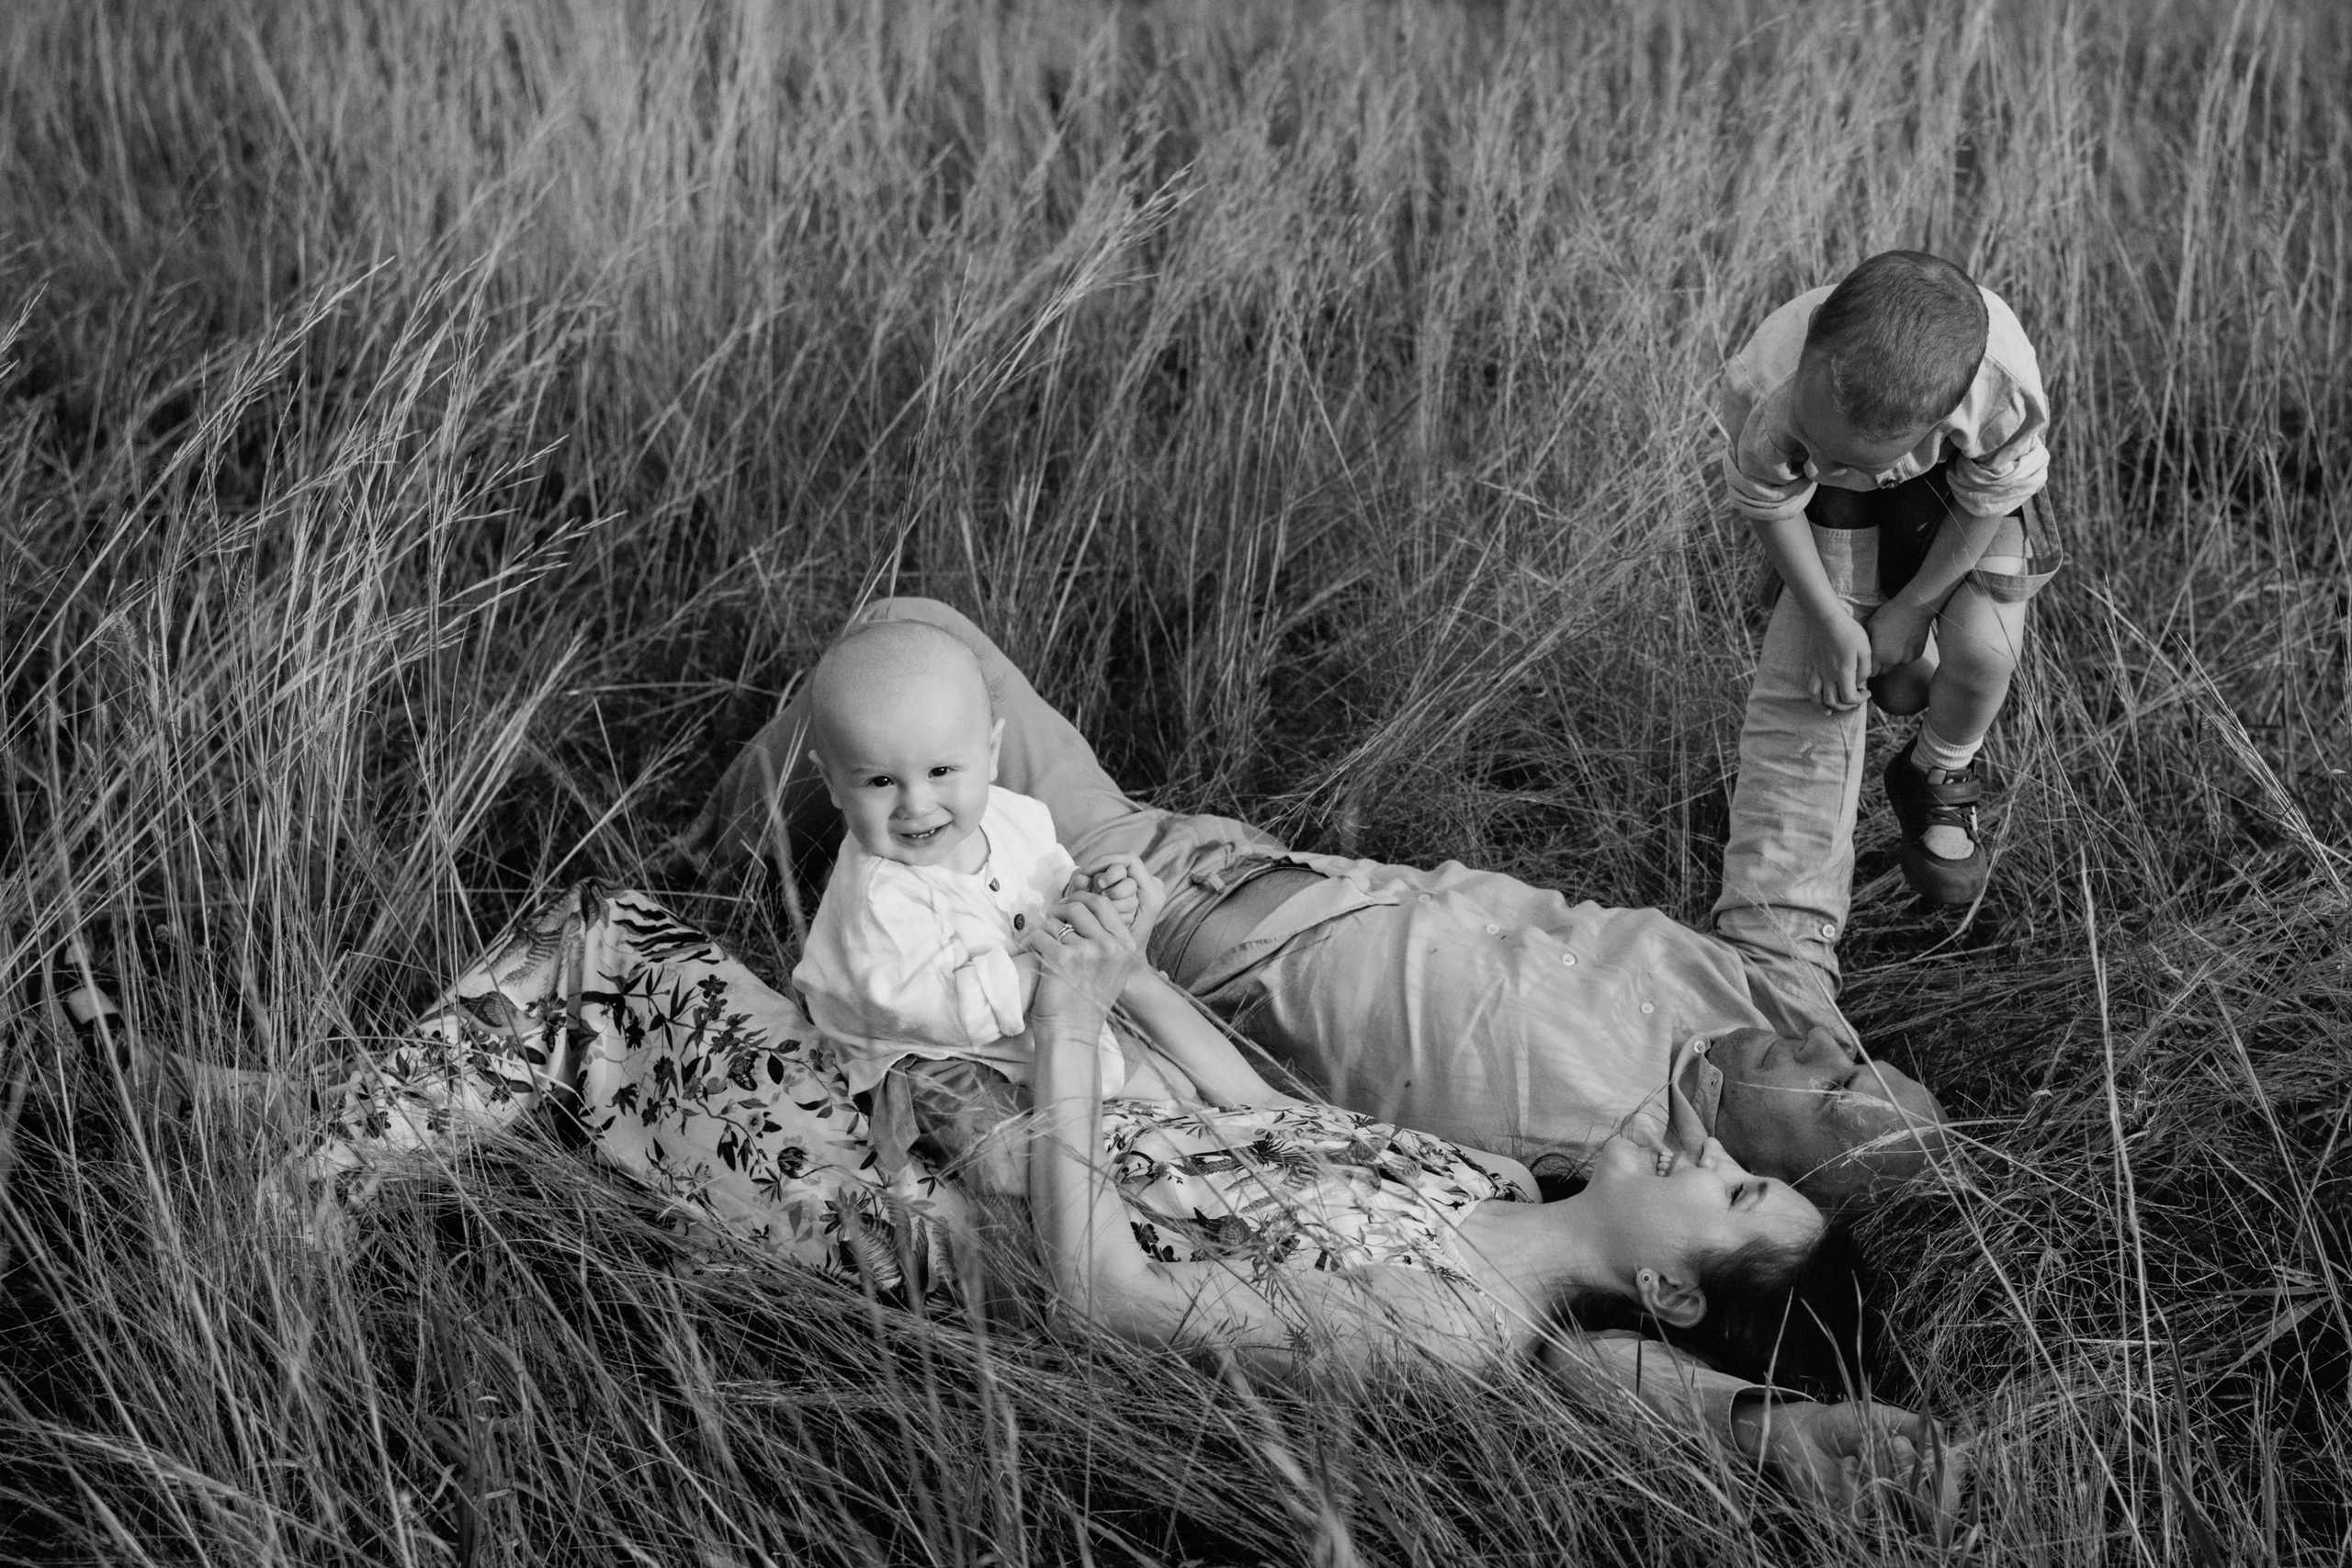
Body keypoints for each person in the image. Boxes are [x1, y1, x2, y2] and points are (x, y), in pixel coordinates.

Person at [267, 876, 1937, 1510]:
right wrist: (1130, 975)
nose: (1710, 1151)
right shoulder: (1497, 1184)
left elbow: (1109, 1295)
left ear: (1665, 1292)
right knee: (609, 1032)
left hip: (908, 1216)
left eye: (1728, 1192)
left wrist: (1067, 1035)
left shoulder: (1448, 1325)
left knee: (600, 951)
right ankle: (279, 1110)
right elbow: (1256, 1110)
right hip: (979, 1105)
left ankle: (300, 1192)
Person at [679, 596, 1949, 1214]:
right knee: (910, 629)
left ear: (1780, 1169)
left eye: (1838, 1092)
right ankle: (729, 836)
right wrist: (1846, 604)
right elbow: (1796, 796)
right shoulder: (1769, 996)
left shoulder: (1614, 1171)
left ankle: (737, 885)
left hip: (1136, 935)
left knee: (920, 657)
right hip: (1212, 852)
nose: (1831, 1051)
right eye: (1864, 1055)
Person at [1720, 249, 2061, 905]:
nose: (1815, 456)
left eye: (1839, 453)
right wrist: (1826, 617)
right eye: (1812, 438)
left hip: (1957, 497)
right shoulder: (1764, 381)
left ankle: (1937, 769)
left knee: (1987, 653)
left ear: (1941, 417)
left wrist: (1915, 605)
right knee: (1886, 684)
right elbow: (1772, 497)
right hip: (1829, 506)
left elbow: (1991, 494)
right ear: (1815, 331)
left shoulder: (1997, 388)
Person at [786, 619, 1154, 1185]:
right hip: (923, 1051)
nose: (916, 803)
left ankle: (1175, 1165)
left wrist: (1089, 899)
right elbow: (936, 1011)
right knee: (1003, 1154)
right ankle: (1020, 1260)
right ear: (833, 784)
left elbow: (1050, 888)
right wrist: (1046, 961)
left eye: (939, 771)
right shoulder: (878, 892)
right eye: (880, 781)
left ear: (991, 752)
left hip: (1025, 1012)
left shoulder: (1018, 818)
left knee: (1145, 1076)